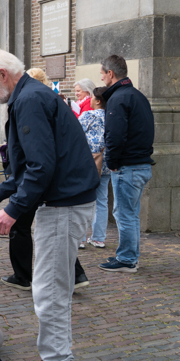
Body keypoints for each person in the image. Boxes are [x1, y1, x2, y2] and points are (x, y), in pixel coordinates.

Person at [0, 49, 98, 361]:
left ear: (2, 74)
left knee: (50, 292)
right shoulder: (29, 96)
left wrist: (12, 211)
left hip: (63, 205)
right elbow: (29, 165)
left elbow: (41, 167)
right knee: (49, 289)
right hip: (63, 202)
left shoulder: (29, 100)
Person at [2, 70, 90, 291]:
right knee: (58, 242)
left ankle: (22, 276)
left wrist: (12, 208)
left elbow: (38, 163)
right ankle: (77, 274)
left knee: (22, 226)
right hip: (45, 185)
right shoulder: (41, 98)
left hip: (44, 187)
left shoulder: (30, 100)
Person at [98, 55, 155, 273]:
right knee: (130, 214)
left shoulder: (118, 98)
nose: (101, 78)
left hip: (127, 166)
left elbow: (114, 135)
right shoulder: (137, 96)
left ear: (110, 74)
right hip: (140, 164)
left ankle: (127, 259)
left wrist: (112, 162)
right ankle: (128, 255)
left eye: (102, 74)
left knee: (125, 214)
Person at [79, 86, 110, 249]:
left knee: (82, 199)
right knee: (102, 200)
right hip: (106, 163)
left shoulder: (88, 115)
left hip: (88, 162)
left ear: (97, 101)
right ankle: (99, 238)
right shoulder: (112, 116)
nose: (89, 100)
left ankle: (80, 238)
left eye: (92, 97)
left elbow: (76, 134)